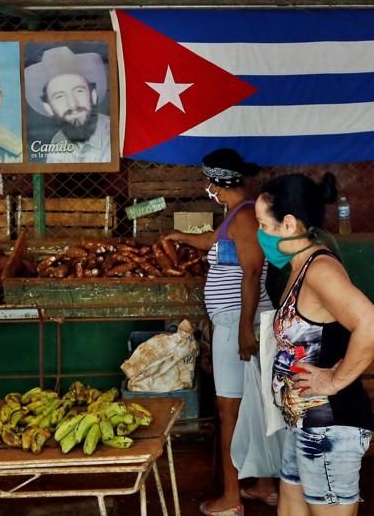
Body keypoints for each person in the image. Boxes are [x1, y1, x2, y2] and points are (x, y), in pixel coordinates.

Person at [256, 173, 374, 515]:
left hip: (329, 426)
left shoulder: (319, 270)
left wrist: (334, 379)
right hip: (304, 423)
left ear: (287, 224)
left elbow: (372, 326)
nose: (260, 234)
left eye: (262, 225)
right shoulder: (301, 267)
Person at [164, 149, 277, 515]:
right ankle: (265, 487)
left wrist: (244, 329)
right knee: (257, 405)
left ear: (218, 182)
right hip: (236, 320)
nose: (206, 187)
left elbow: (252, 272)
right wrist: (181, 236)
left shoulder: (244, 217)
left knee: (229, 410)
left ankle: (231, 500)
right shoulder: (235, 215)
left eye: (208, 181)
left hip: (237, 322)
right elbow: (215, 243)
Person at [24, 46, 111, 163]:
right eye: (59, 97)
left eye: (79, 91)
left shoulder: (114, 134)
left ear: (93, 95)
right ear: (48, 108)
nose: (72, 104)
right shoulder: (58, 141)